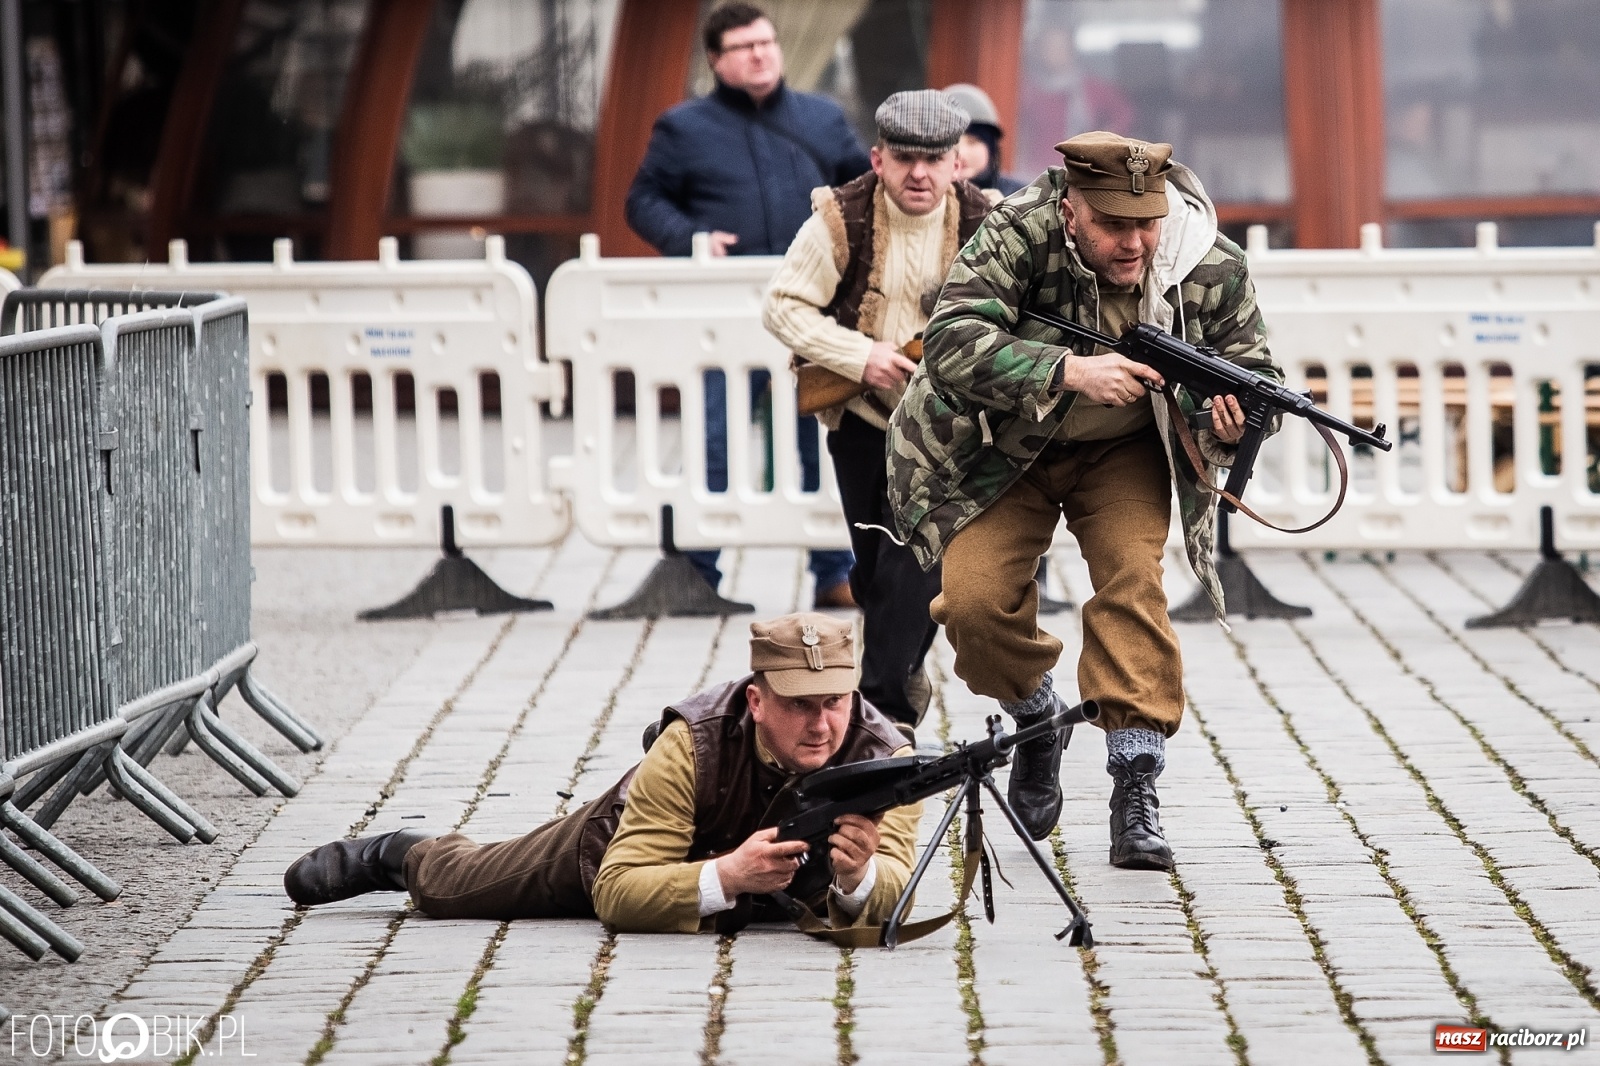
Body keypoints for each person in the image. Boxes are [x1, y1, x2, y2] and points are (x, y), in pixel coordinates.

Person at [886, 131, 1281, 870]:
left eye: (1146, 222)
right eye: (1113, 225)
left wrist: (1226, 423)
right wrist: (1068, 370)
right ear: (1072, 213)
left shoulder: (1206, 261)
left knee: (1133, 584)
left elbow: (1254, 369)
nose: (1135, 242)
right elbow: (948, 340)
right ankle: (1037, 716)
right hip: (1008, 447)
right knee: (971, 605)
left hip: (1123, 452)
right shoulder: (1016, 231)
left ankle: (1136, 784)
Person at [283, 614, 922, 934]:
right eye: (798, 706)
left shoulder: (884, 756)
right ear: (755, 702)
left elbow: (899, 885)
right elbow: (617, 891)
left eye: (833, 703)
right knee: (462, 890)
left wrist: (859, 877)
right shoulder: (691, 744)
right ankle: (401, 853)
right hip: (614, 847)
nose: (820, 725)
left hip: (768, 898)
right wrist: (726, 875)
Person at [762, 90, 990, 738]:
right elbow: (782, 307)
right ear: (878, 157)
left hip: (952, 432)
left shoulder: (989, 222)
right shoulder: (841, 216)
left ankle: (881, 718)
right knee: (874, 574)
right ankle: (902, 677)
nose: (920, 173)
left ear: (958, 162)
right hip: (864, 419)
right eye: (905, 159)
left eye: (934, 159)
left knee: (908, 560)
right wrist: (863, 356)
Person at [626, 2, 868, 607]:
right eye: (744, 47)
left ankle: (835, 575)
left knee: (818, 440)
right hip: (720, 321)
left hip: (813, 314)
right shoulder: (682, 127)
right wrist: (691, 240)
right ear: (716, 60)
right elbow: (643, 200)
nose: (761, 54)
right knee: (716, 438)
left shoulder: (823, 117)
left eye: (767, 42)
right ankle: (699, 574)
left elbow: (864, 196)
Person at [942, 83, 1024, 196]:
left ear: (991, 148)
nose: (961, 153)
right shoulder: (918, 197)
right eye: (952, 142)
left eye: (972, 142)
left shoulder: (1022, 198)